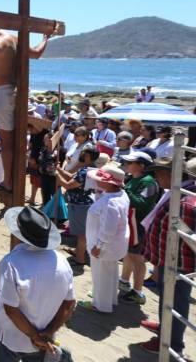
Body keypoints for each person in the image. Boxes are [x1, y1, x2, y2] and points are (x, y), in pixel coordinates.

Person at [0, 24, 54, 194]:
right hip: (18, 92)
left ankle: (8, 182)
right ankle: (15, 178)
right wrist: (45, 38)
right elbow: (36, 53)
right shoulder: (15, 39)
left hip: (4, 93)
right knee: (17, 141)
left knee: (6, 144)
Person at [0, 206, 75, 361]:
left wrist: (34, 336)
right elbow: (69, 304)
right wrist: (47, 333)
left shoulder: (11, 263)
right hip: (44, 337)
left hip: (9, 335)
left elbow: (11, 309)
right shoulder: (62, 262)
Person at [139, 157, 196, 354]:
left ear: (170, 175)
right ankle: (166, 329)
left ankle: (172, 343)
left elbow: (190, 238)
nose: (156, 176)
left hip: (178, 264)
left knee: (176, 303)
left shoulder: (186, 202)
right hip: (170, 260)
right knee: (167, 299)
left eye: (159, 172)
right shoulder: (177, 195)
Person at [78, 165, 130, 313]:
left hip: (104, 245)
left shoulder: (110, 203)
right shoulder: (119, 195)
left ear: (109, 183)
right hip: (113, 244)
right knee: (110, 272)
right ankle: (109, 300)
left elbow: (108, 229)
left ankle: (101, 304)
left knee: (101, 275)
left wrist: (99, 246)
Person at [119, 151, 158, 305]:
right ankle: (124, 281)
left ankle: (137, 291)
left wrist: (124, 189)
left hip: (139, 226)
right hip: (131, 223)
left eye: (131, 162)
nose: (127, 165)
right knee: (128, 254)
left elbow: (141, 204)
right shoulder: (134, 179)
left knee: (137, 258)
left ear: (141, 166)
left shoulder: (148, 182)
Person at [56, 146, 99, 269]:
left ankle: (80, 259)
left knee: (82, 235)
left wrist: (57, 176)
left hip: (80, 205)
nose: (81, 156)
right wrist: (59, 170)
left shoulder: (85, 171)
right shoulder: (91, 168)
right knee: (82, 233)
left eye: (83, 154)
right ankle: (79, 252)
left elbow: (69, 185)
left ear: (88, 156)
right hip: (84, 204)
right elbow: (72, 177)